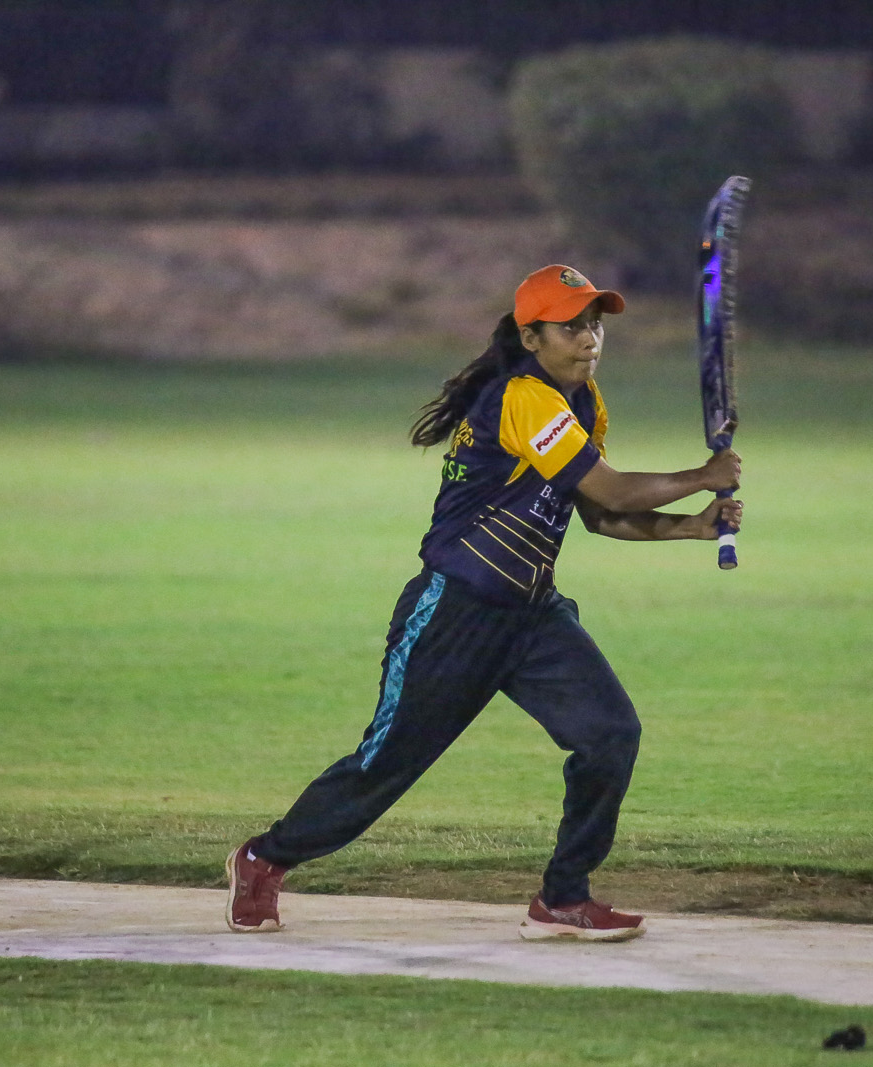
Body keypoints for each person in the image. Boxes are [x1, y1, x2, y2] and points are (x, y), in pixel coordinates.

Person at [227, 264, 743, 941]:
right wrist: (701, 476)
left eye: (595, 324)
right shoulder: (523, 397)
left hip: (533, 617)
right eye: (571, 326)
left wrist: (692, 526)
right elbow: (614, 491)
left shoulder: (585, 402)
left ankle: (562, 898)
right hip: (455, 615)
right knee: (385, 767)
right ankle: (264, 858)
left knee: (610, 734)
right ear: (531, 337)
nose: (589, 338)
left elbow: (597, 515)